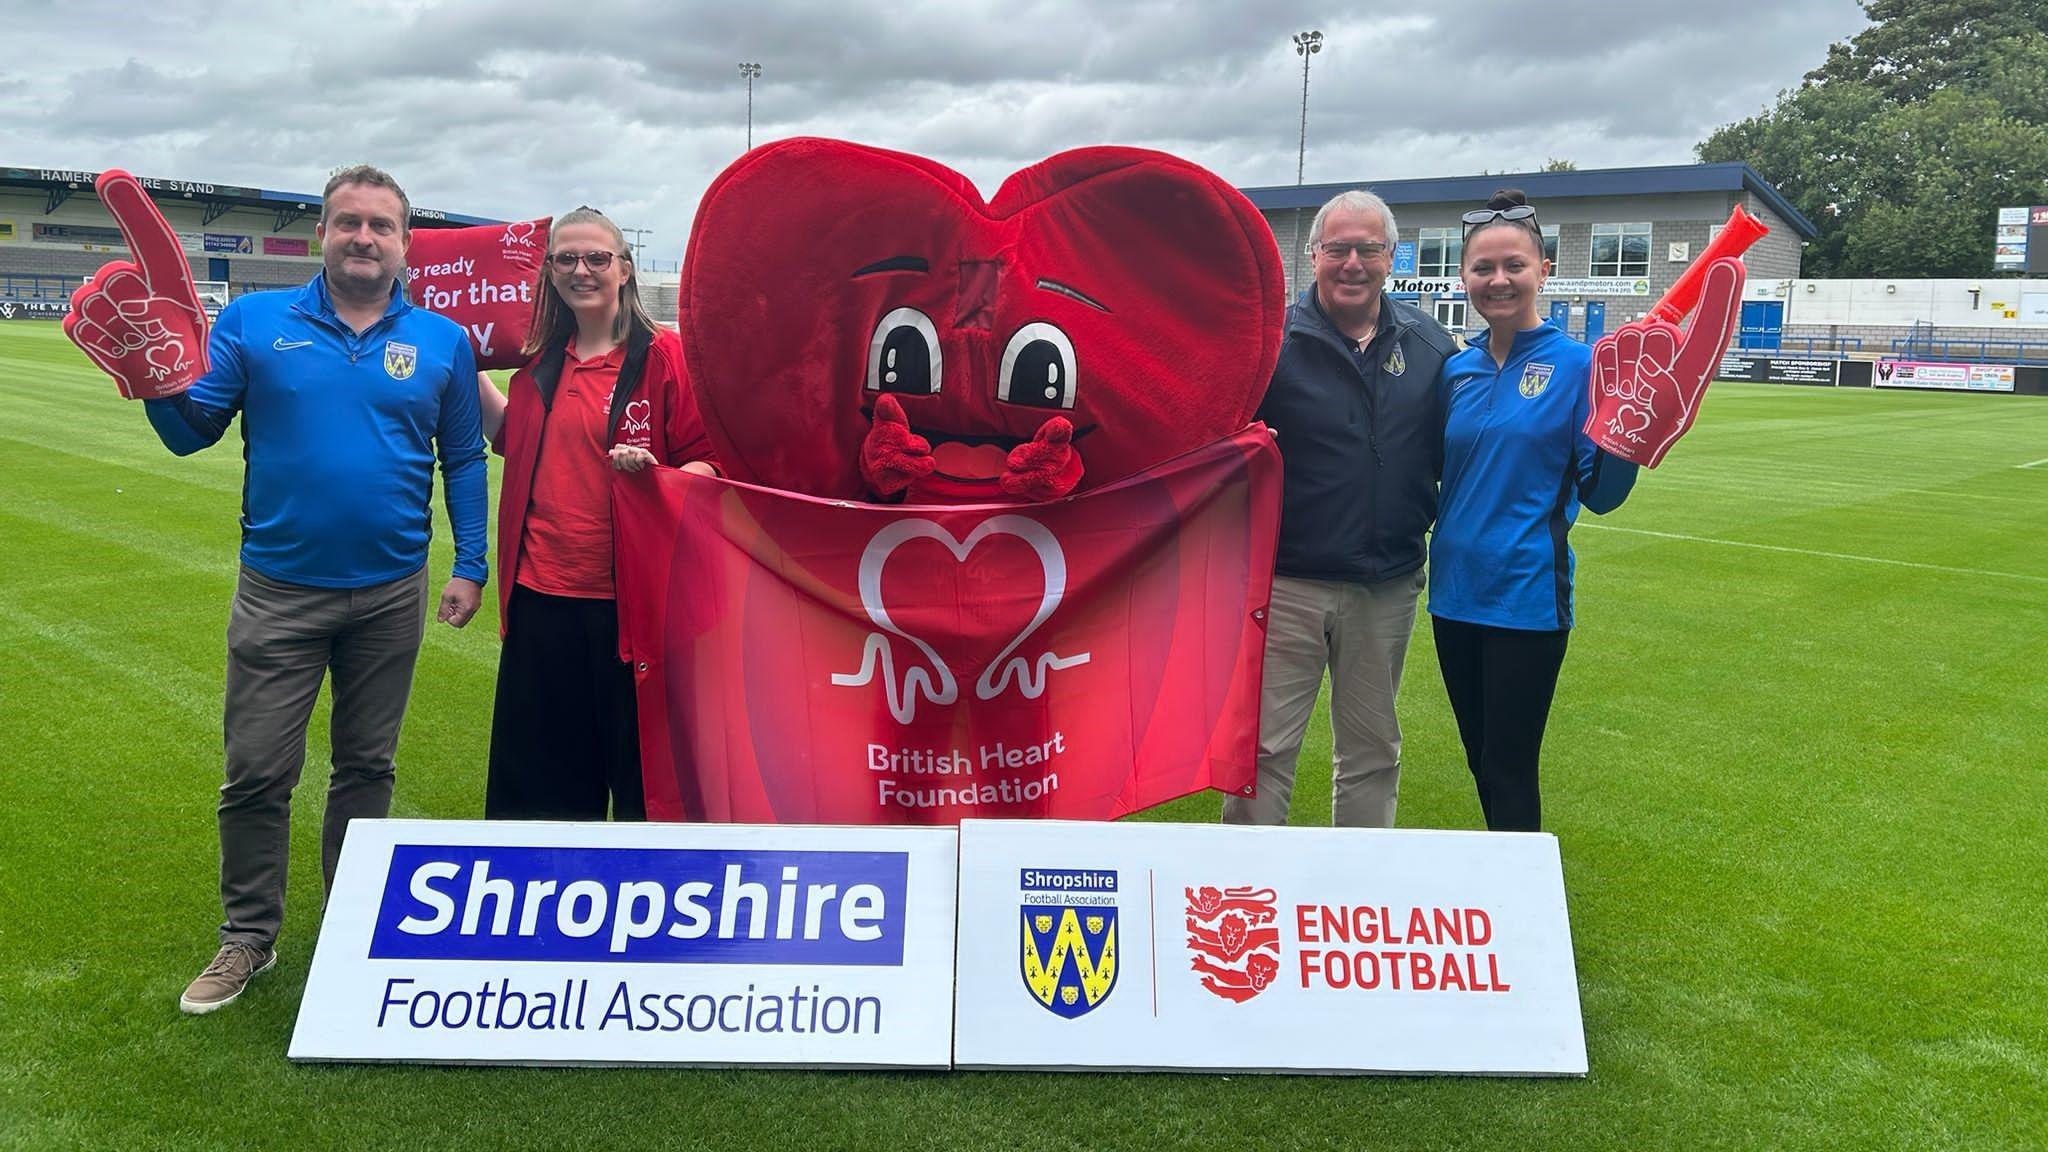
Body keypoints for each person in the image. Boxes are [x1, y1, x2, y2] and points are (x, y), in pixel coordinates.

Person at [142, 166, 487, 1013]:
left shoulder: (442, 339)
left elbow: (465, 457)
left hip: (391, 592)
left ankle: (350, 921)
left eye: (380, 225)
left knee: (366, 767)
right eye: (347, 223)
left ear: (404, 242)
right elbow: (194, 434)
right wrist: (155, 389)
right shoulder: (256, 321)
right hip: (280, 590)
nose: (363, 238)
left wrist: (470, 563)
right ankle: (247, 939)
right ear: (322, 234)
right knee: (258, 771)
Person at [1222, 190, 1457, 828]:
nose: (1353, 262)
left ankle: (1358, 890)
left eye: (1369, 249)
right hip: (1285, 583)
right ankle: (1243, 891)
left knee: (1373, 751)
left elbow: (1463, 445)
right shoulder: (1270, 344)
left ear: (1391, 258)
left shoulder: (1432, 345)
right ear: (1314, 254)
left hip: (1385, 587)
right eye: (1338, 248)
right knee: (1263, 749)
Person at [476, 207, 717, 822]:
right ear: (550, 272)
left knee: (646, 791)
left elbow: (710, 464)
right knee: (538, 794)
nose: (581, 270)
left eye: (597, 258)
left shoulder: (665, 357)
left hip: (635, 610)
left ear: (625, 269)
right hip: (540, 603)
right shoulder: (537, 366)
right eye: (566, 259)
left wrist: (660, 475)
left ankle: (647, 908)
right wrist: (461, 366)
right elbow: (514, 439)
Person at [1429, 189, 1639, 832]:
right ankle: (1505, 886)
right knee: (1478, 760)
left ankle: (1520, 913)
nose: (1498, 280)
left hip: (1526, 595)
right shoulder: (1454, 369)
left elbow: (1602, 494)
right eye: (1482, 268)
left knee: (1510, 763)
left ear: (1543, 270)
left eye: (1513, 265)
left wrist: (1631, 430)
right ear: (1464, 277)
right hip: (1452, 594)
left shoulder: (1581, 367)